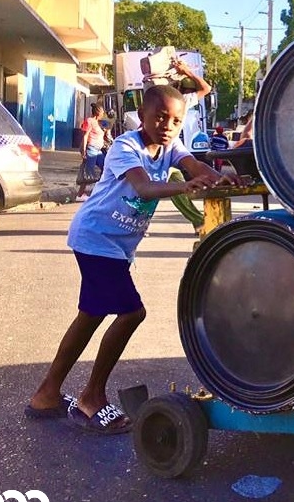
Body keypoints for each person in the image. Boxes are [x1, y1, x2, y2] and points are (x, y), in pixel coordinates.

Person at [26, 84, 242, 434]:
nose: (167, 125)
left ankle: (47, 394)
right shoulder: (126, 147)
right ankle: (91, 397)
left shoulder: (171, 147)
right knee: (131, 312)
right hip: (96, 239)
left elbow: (194, 165)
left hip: (116, 246)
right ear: (141, 116)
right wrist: (185, 187)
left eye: (175, 119)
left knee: (91, 315)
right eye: (159, 117)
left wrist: (221, 179)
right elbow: (144, 188)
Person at [166, 56, 213, 235]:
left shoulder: (182, 100)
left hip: (168, 149)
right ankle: (199, 221)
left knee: (176, 186)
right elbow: (206, 88)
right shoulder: (184, 101)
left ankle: (199, 221)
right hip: (161, 150)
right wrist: (186, 71)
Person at [76, 104, 108, 201]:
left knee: (105, 166)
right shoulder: (89, 121)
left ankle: (99, 191)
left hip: (98, 150)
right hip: (91, 149)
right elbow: (85, 136)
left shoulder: (98, 123)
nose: (103, 114)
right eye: (102, 112)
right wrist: (84, 150)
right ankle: (80, 195)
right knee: (88, 173)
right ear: (98, 112)